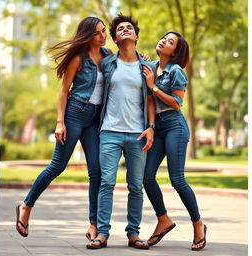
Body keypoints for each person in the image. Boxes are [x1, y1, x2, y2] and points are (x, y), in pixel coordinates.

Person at [15, 17, 112, 240]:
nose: (103, 36)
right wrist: (60, 122)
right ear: (88, 35)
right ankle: (26, 206)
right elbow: (63, 90)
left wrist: (144, 58)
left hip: (94, 118)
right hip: (74, 115)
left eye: (104, 31)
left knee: (96, 171)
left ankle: (93, 225)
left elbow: (128, 61)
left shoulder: (108, 56)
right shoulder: (78, 59)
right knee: (57, 166)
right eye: (98, 33)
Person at [86, 14, 156, 250]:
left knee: (136, 185)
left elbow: (150, 98)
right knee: (107, 183)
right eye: (120, 29)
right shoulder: (107, 63)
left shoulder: (147, 66)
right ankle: (102, 233)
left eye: (129, 28)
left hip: (137, 133)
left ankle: (133, 233)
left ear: (136, 36)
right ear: (115, 39)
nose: (125, 30)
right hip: (109, 132)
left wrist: (151, 128)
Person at [142, 32, 207, 251]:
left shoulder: (176, 71)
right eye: (164, 38)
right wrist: (150, 126)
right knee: (146, 176)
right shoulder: (151, 67)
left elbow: (177, 103)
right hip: (157, 127)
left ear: (176, 52)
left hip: (174, 126)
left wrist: (153, 86)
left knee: (177, 179)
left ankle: (198, 224)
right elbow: (149, 100)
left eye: (170, 42)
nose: (163, 41)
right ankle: (163, 219)